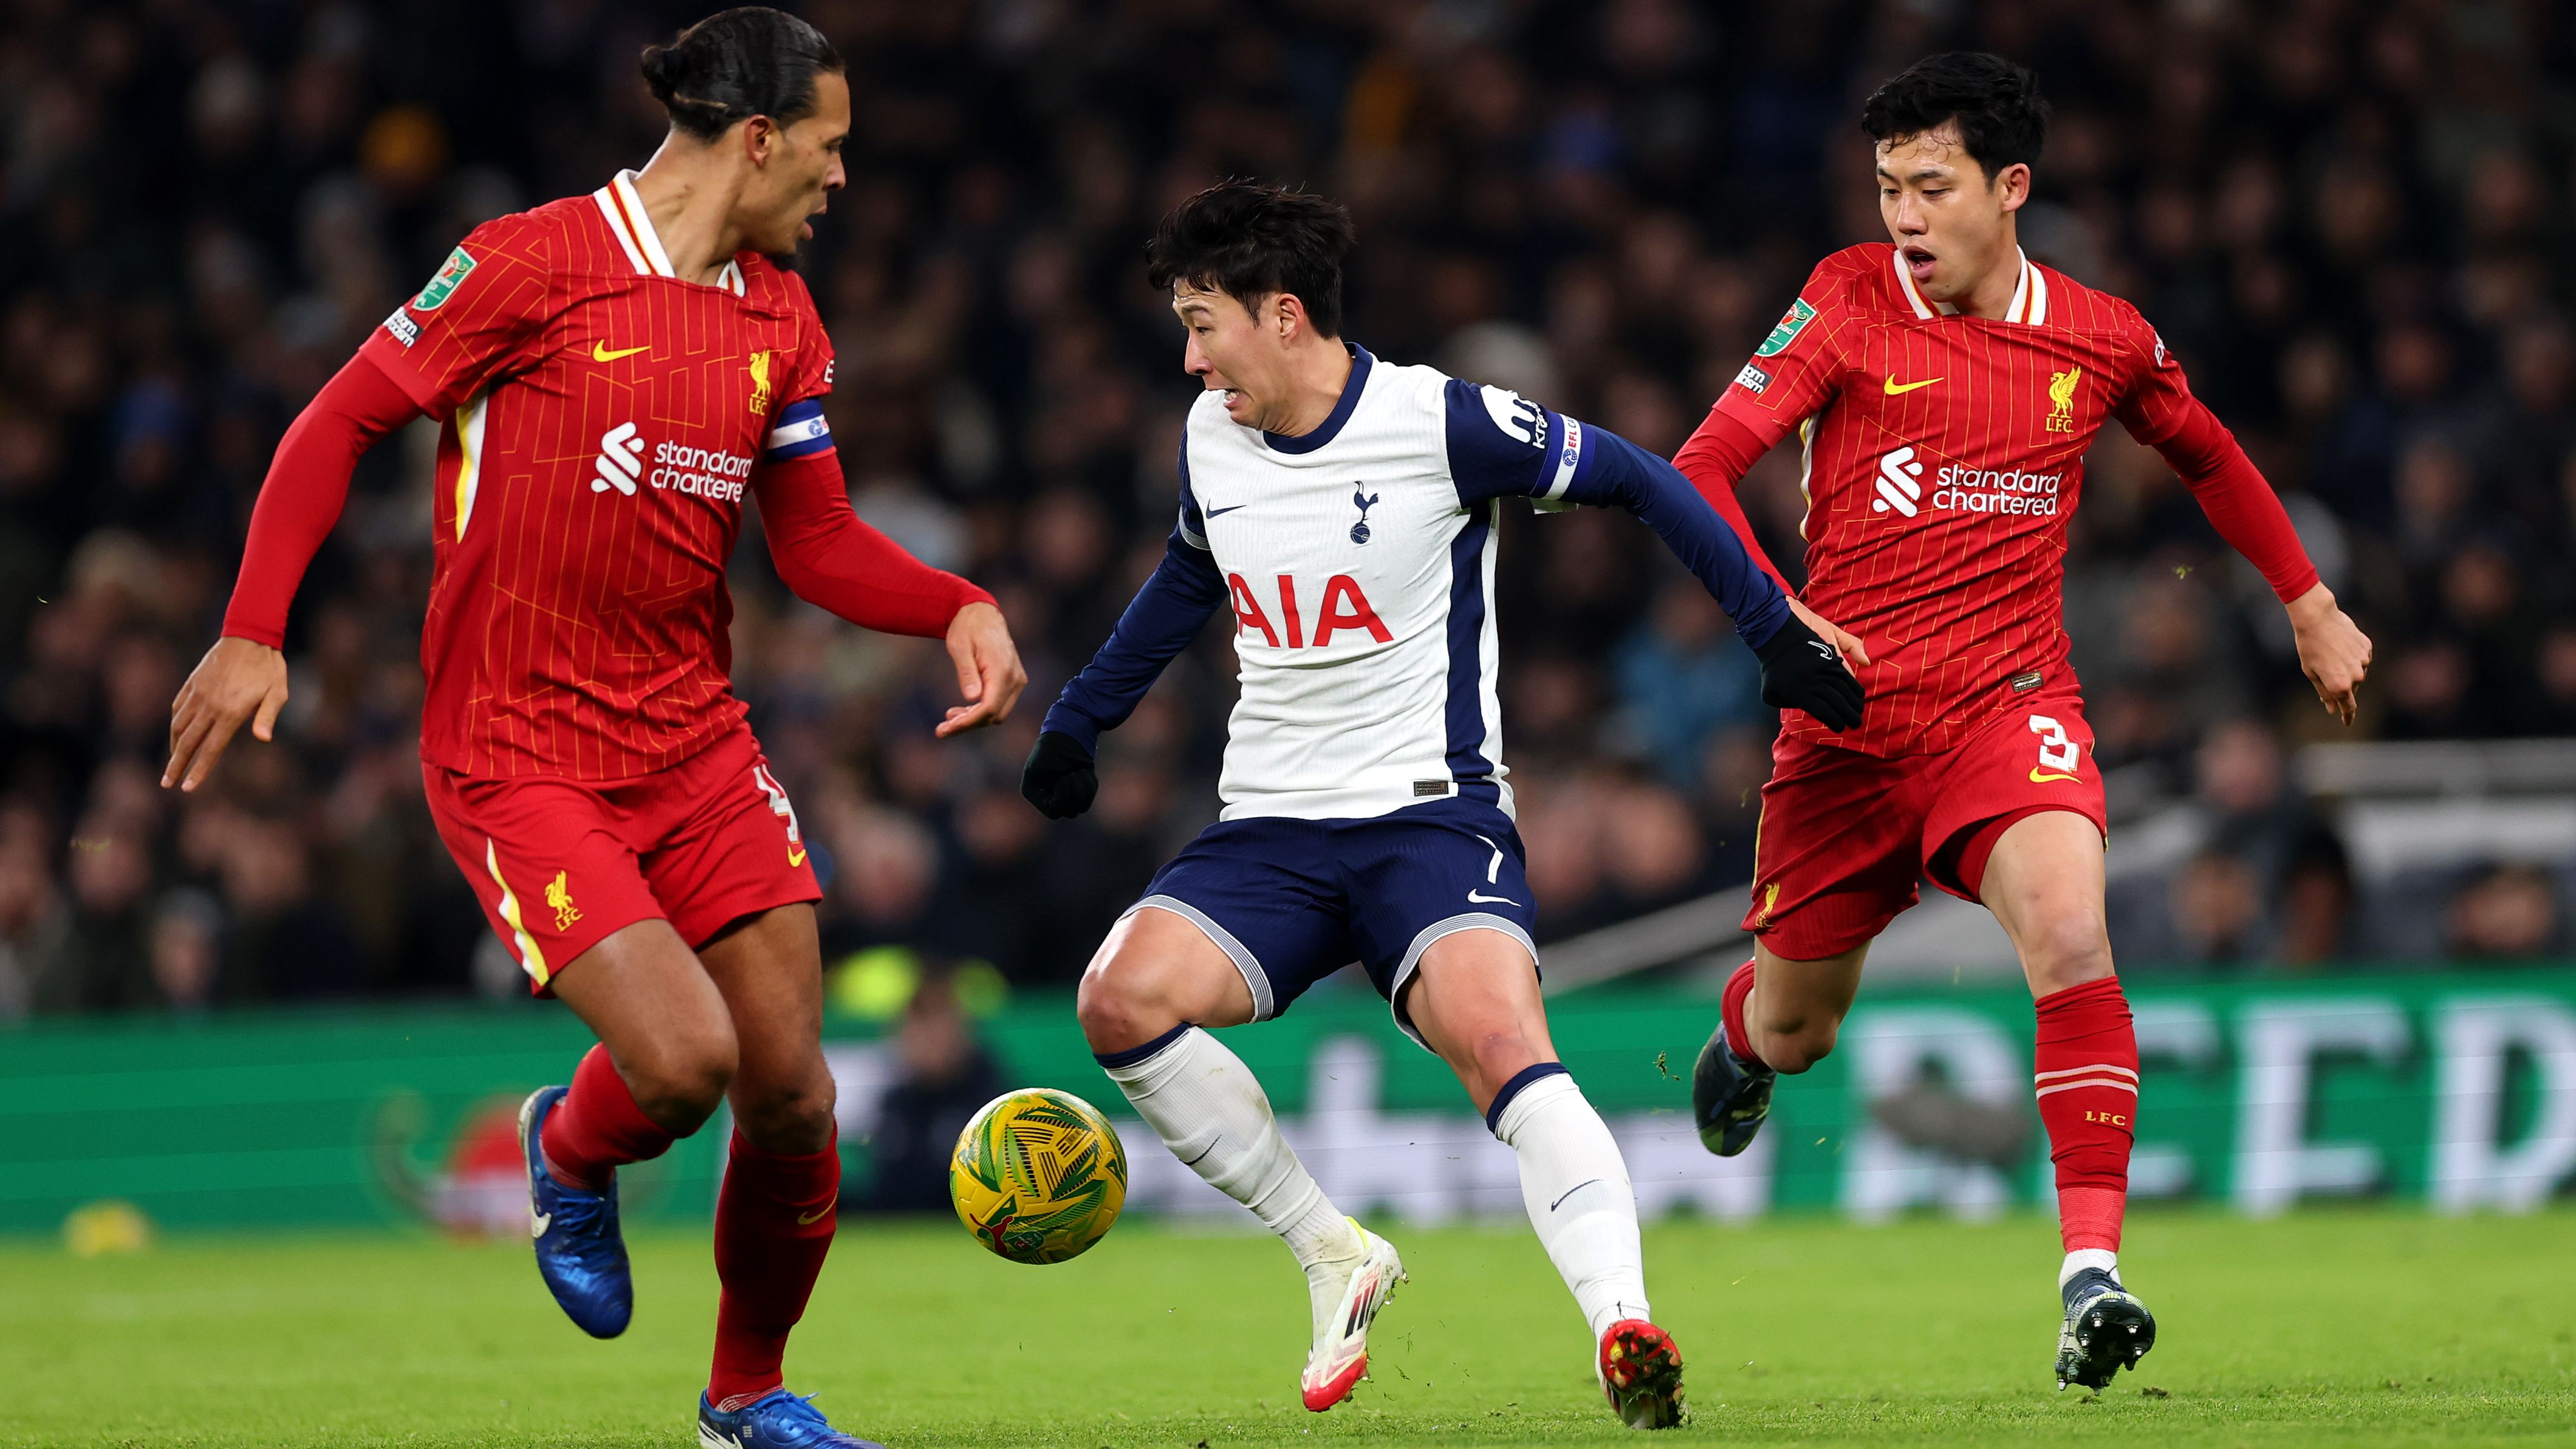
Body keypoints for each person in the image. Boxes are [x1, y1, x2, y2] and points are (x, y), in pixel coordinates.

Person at [158, 12, 1026, 1447]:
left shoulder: (780, 317)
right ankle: (571, 1149)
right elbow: (335, 423)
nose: (840, 178)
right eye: (828, 148)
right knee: (684, 1064)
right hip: (517, 751)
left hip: (695, 743)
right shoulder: (530, 262)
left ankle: (746, 1396)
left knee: (795, 1092)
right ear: (757, 140)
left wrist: (952, 602)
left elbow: (810, 544)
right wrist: (255, 626)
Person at [1019, 180, 1865, 1430]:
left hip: (1431, 820)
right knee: (1117, 999)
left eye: (1205, 325)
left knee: (1504, 1047)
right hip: (1268, 829)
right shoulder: (1212, 437)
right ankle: (1329, 1248)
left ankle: (1620, 1324)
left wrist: (1766, 625)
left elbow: (1639, 477)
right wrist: (1082, 714)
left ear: (1284, 314)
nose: (1192, 359)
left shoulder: (1439, 422)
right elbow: (1189, 573)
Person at [1670, 53, 2374, 1392]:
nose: (1903, 219)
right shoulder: (1841, 298)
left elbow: (2207, 451)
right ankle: (1744, 1035)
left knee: (2067, 930)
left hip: (2007, 707)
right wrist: (1776, 616)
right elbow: (1700, 467)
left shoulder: (2098, 335)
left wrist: (2305, 599)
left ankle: (2088, 1275)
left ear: (2009, 189)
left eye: (1928, 188)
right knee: (1796, 1026)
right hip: (1842, 728)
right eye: (1885, 188)